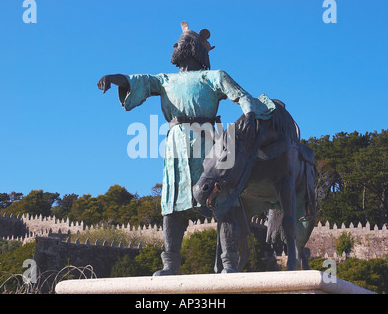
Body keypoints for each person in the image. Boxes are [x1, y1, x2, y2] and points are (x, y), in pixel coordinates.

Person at [97, 21, 275, 275]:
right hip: (176, 146)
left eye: (178, 43)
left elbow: (241, 95)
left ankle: (230, 264)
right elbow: (141, 81)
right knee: (171, 204)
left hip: (210, 142)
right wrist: (115, 78)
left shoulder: (212, 76)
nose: (174, 46)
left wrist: (248, 115)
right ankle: (170, 265)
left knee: (223, 201)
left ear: (191, 48)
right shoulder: (165, 80)